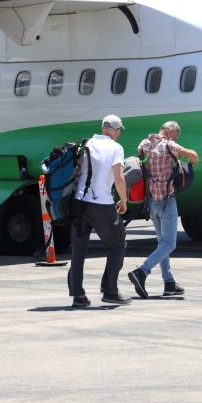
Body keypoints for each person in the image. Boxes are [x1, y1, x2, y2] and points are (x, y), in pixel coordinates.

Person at [128, 121, 199, 298]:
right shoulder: (169, 145)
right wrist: (188, 159)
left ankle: (169, 283)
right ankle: (142, 271)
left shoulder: (143, 144)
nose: (175, 138)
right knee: (170, 244)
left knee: (162, 244)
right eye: (176, 135)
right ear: (170, 131)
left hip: (152, 203)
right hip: (167, 202)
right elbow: (194, 156)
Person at [68, 114, 131, 307]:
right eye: (119, 130)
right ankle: (110, 290)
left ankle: (78, 296)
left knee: (78, 250)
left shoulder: (86, 143)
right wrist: (123, 200)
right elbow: (119, 177)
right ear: (115, 130)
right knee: (117, 244)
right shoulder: (115, 148)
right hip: (102, 203)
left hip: (79, 203)